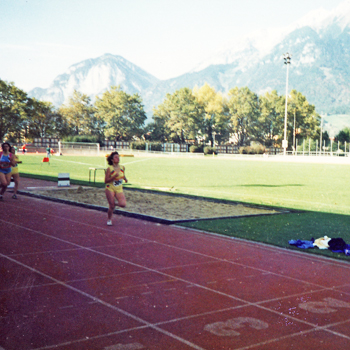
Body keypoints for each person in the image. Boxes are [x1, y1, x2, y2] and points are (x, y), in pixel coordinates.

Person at [105, 151, 128, 226]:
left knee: (123, 204)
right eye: (116, 157)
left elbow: (123, 175)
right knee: (111, 206)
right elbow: (106, 181)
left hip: (119, 188)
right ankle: (109, 219)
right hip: (110, 188)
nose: (118, 158)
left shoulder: (122, 167)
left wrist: (125, 179)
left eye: (118, 157)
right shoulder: (110, 168)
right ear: (112, 159)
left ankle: (113, 204)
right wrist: (114, 177)